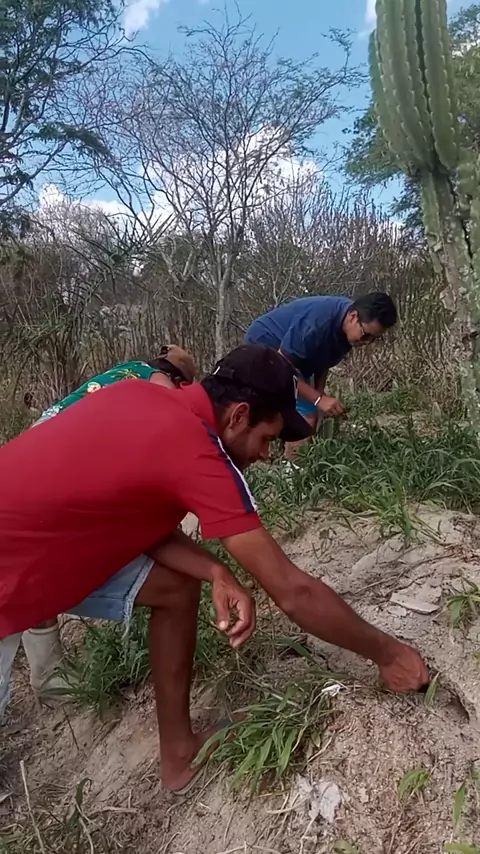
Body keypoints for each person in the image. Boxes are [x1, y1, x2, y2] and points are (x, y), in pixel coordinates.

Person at [0, 344, 428, 793]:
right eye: (267, 438)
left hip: (35, 541)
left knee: (174, 587)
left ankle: (180, 754)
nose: (267, 454)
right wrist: (390, 654)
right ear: (239, 415)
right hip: (11, 568)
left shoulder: (138, 394)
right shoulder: (196, 451)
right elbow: (292, 591)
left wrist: (214, 571)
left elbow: (131, 517)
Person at [0, 345, 196, 717]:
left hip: (40, 444)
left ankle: (49, 676)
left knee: (35, 560)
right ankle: (49, 678)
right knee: (41, 558)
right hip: (66, 462)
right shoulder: (158, 381)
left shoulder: (123, 371)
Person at [245, 292, 397, 454]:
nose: (367, 342)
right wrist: (317, 399)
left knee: (308, 405)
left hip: (292, 355)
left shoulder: (348, 330)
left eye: (374, 338)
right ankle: (292, 467)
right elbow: (281, 367)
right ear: (353, 317)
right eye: (366, 334)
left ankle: (282, 451)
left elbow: (323, 362)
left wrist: (319, 393)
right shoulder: (317, 324)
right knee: (306, 415)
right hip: (264, 343)